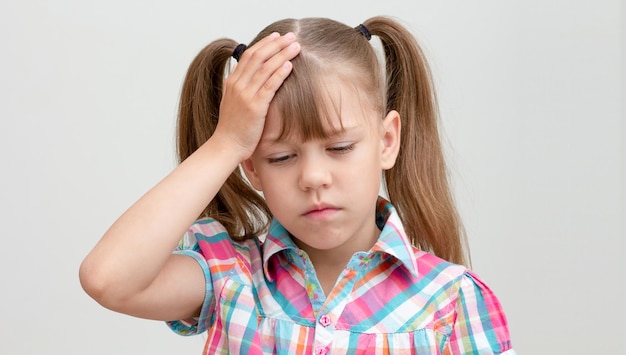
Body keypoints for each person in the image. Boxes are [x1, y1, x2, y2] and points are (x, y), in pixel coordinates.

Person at [79, 16, 515, 354]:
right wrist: (226, 142)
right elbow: (108, 279)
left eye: (340, 147)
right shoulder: (232, 277)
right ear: (250, 167)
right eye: (281, 157)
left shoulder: (451, 303)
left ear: (387, 141)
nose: (313, 177)